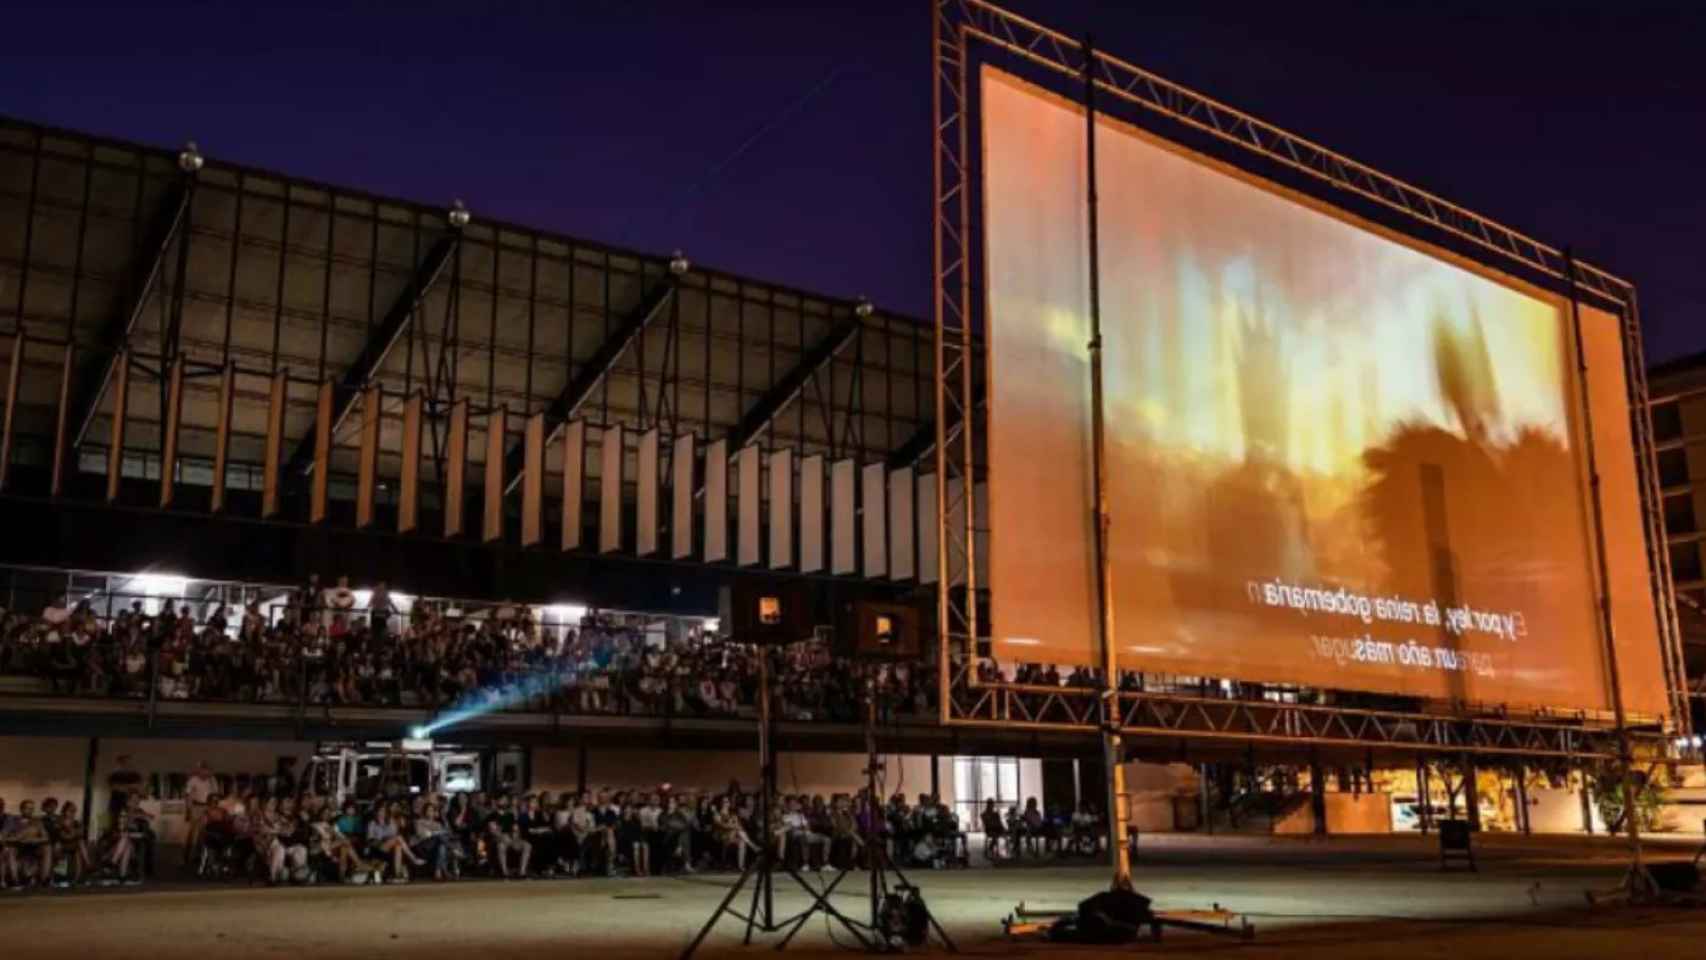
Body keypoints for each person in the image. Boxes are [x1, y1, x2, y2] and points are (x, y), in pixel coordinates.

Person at [183, 761, 218, 867]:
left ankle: (198, 856)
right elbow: (188, 796)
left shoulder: (212, 780)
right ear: (200, 770)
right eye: (204, 770)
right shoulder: (193, 780)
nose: (206, 772)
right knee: (192, 833)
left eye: (208, 770)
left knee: (203, 833)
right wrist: (188, 810)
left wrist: (213, 809)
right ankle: (186, 857)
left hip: (207, 807)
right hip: (195, 807)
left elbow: (215, 794)